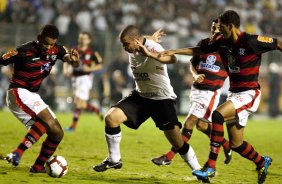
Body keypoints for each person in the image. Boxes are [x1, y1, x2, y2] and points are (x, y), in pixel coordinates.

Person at [160, 10, 282, 184]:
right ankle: (262, 162)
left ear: (230, 26)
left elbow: (278, 44)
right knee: (236, 144)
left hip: (249, 93)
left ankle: (210, 166)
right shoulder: (221, 42)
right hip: (235, 93)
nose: (218, 31)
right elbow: (199, 50)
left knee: (217, 115)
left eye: (221, 27)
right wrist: (172, 51)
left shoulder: (251, 41)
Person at [93, 25, 206, 182]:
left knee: (178, 142)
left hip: (162, 99)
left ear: (135, 40)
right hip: (141, 96)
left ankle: (199, 171)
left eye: (126, 44)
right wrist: (149, 37)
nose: (124, 48)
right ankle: (114, 160)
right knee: (111, 118)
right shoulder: (134, 45)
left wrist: (150, 54)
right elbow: (138, 36)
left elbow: (173, 58)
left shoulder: (153, 47)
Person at [151, 19, 232, 167]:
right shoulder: (205, 43)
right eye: (213, 28)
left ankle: (169, 156)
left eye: (218, 29)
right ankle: (226, 145)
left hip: (210, 92)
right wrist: (195, 75)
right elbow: (192, 63)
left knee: (189, 123)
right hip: (196, 89)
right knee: (201, 125)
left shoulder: (227, 48)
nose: (215, 31)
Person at [0, 24, 80, 173]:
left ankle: (38, 166)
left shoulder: (57, 50)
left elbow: (70, 59)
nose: (48, 47)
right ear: (39, 38)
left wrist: (75, 60)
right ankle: (17, 153)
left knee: (57, 132)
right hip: (18, 92)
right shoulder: (23, 51)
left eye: (51, 44)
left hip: (31, 95)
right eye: (45, 43)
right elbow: (2, 59)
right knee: (47, 121)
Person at [64, 32, 103, 131]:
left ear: (89, 40)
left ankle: (73, 127)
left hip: (85, 78)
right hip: (75, 78)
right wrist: (66, 69)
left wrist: (90, 69)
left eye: (85, 39)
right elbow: (66, 60)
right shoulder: (73, 50)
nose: (82, 40)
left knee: (78, 102)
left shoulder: (92, 52)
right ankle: (97, 110)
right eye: (81, 38)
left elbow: (100, 64)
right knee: (79, 103)